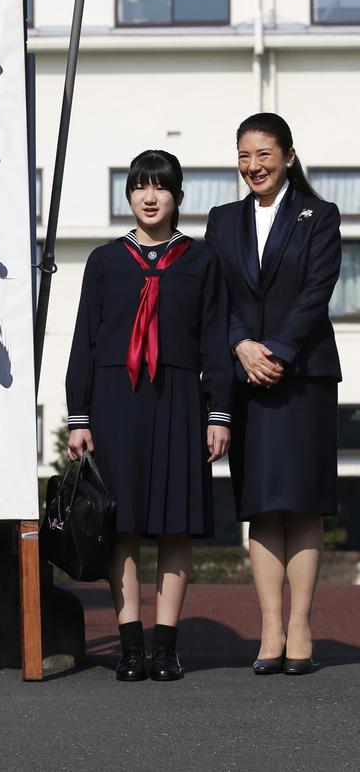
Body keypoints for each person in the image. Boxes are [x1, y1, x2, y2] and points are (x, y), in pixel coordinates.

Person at [66, 149, 232, 682]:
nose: (150, 196)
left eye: (160, 187)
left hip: (180, 397)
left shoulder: (202, 261)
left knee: (175, 526)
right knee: (123, 527)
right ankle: (131, 647)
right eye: (140, 186)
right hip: (115, 401)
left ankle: (166, 648)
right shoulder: (104, 261)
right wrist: (78, 417)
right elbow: (84, 341)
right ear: (129, 196)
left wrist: (219, 413)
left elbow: (214, 341)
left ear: (178, 197)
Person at [205, 112, 341, 676]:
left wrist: (278, 350)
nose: (253, 166)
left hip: (302, 376)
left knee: (302, 503)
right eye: (244, 155)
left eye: (263, 154)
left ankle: (301, 625)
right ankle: (269, 629)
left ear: (288, 155)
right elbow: (216, 295)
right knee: (260, 505)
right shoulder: (222, 220)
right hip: (248, 380)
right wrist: (242, 347)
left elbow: (317, 290)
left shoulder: (320, 215)